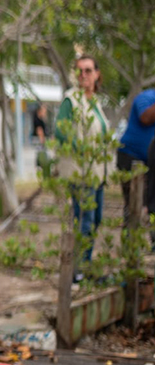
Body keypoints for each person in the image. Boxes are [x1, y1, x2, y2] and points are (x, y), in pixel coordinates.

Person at [55, 55, 109, 282]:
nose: (83, 75)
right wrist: (82, 149)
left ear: (97, 74)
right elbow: (61, 131)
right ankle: (78, 271)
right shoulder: (71, 100)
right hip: (80, 172)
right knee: (84, 221)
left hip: (97, 173)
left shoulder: (95, 102)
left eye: (88, 71)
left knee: (95, 220)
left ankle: (85, 266)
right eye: (80, 71)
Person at [115, 88, 155, 223]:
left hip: (150, 162)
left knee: (151, 205)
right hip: (130, 157)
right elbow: (145, 118)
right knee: (134, 206)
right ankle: (129, 241)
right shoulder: (145, 97)